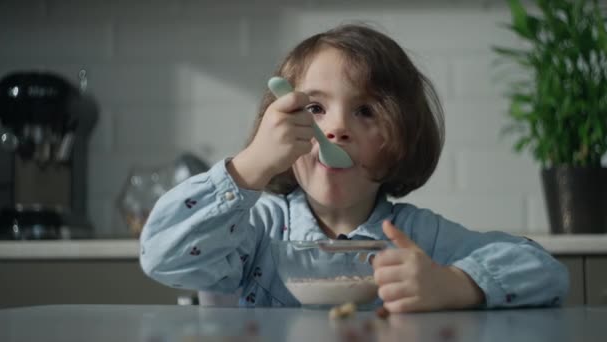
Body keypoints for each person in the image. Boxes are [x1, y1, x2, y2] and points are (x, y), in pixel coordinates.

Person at [139, 24, 569, 313]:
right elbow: (162, 256)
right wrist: (251, 164)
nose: (338, 129)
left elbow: (544, 270)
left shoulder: (418, 239)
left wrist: (455, 285)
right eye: (315, 108)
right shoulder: (254, 233)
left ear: (402, 136)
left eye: (364, 110)